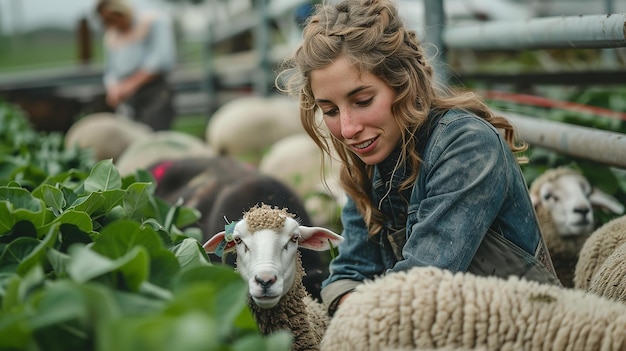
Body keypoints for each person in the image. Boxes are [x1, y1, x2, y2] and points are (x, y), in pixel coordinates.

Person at [277, 0, 561, 317]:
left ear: (403, 83)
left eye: (363, 100)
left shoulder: (467, 146)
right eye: (329, 110)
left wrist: (358, 315)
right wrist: (353, 306)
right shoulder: (369, 166)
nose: (347, 128)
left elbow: (420, 281)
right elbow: (348, 271)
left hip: (523, 326)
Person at [95, 0, 176, 131]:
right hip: (127, 98)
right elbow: (110, 70)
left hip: (154, 91)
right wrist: (113, 88)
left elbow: (161, 60)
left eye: (113, 18)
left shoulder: (153, 22)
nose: (112, 24)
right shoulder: (111, 37)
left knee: (153, 134)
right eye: (107, 20)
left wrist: (129, 85)